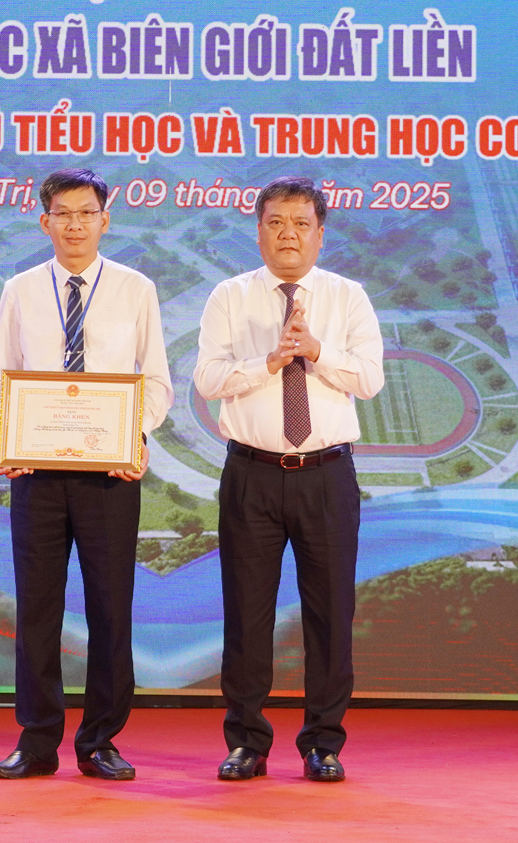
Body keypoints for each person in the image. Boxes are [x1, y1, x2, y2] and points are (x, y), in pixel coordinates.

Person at [0, 168, 173, 781]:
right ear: (45, 222)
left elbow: (157, 380)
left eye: (86, 213)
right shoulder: (19, 290)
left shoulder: (136, 289)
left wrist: (134, 435)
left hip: (109, 475)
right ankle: (37, 740)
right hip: (36, 473)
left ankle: (100, 742)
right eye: (62, 213)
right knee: (38, 608)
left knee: (110, 609)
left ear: (105, 220)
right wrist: (10, 432)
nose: (74, 224)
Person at [193, 177, 383, 783]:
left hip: (326, 475)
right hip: (251, 473)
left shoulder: (348, 296)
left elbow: (370, 380)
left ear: (321, 233)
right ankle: (246, 741)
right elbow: (208, 379)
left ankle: (323, 742)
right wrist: (268, 362)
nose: (288, 235)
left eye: (301, 224)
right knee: (247, 612)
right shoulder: (229, 296)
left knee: (330, 612)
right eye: (276, 223)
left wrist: (317, 352)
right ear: (259, 231)